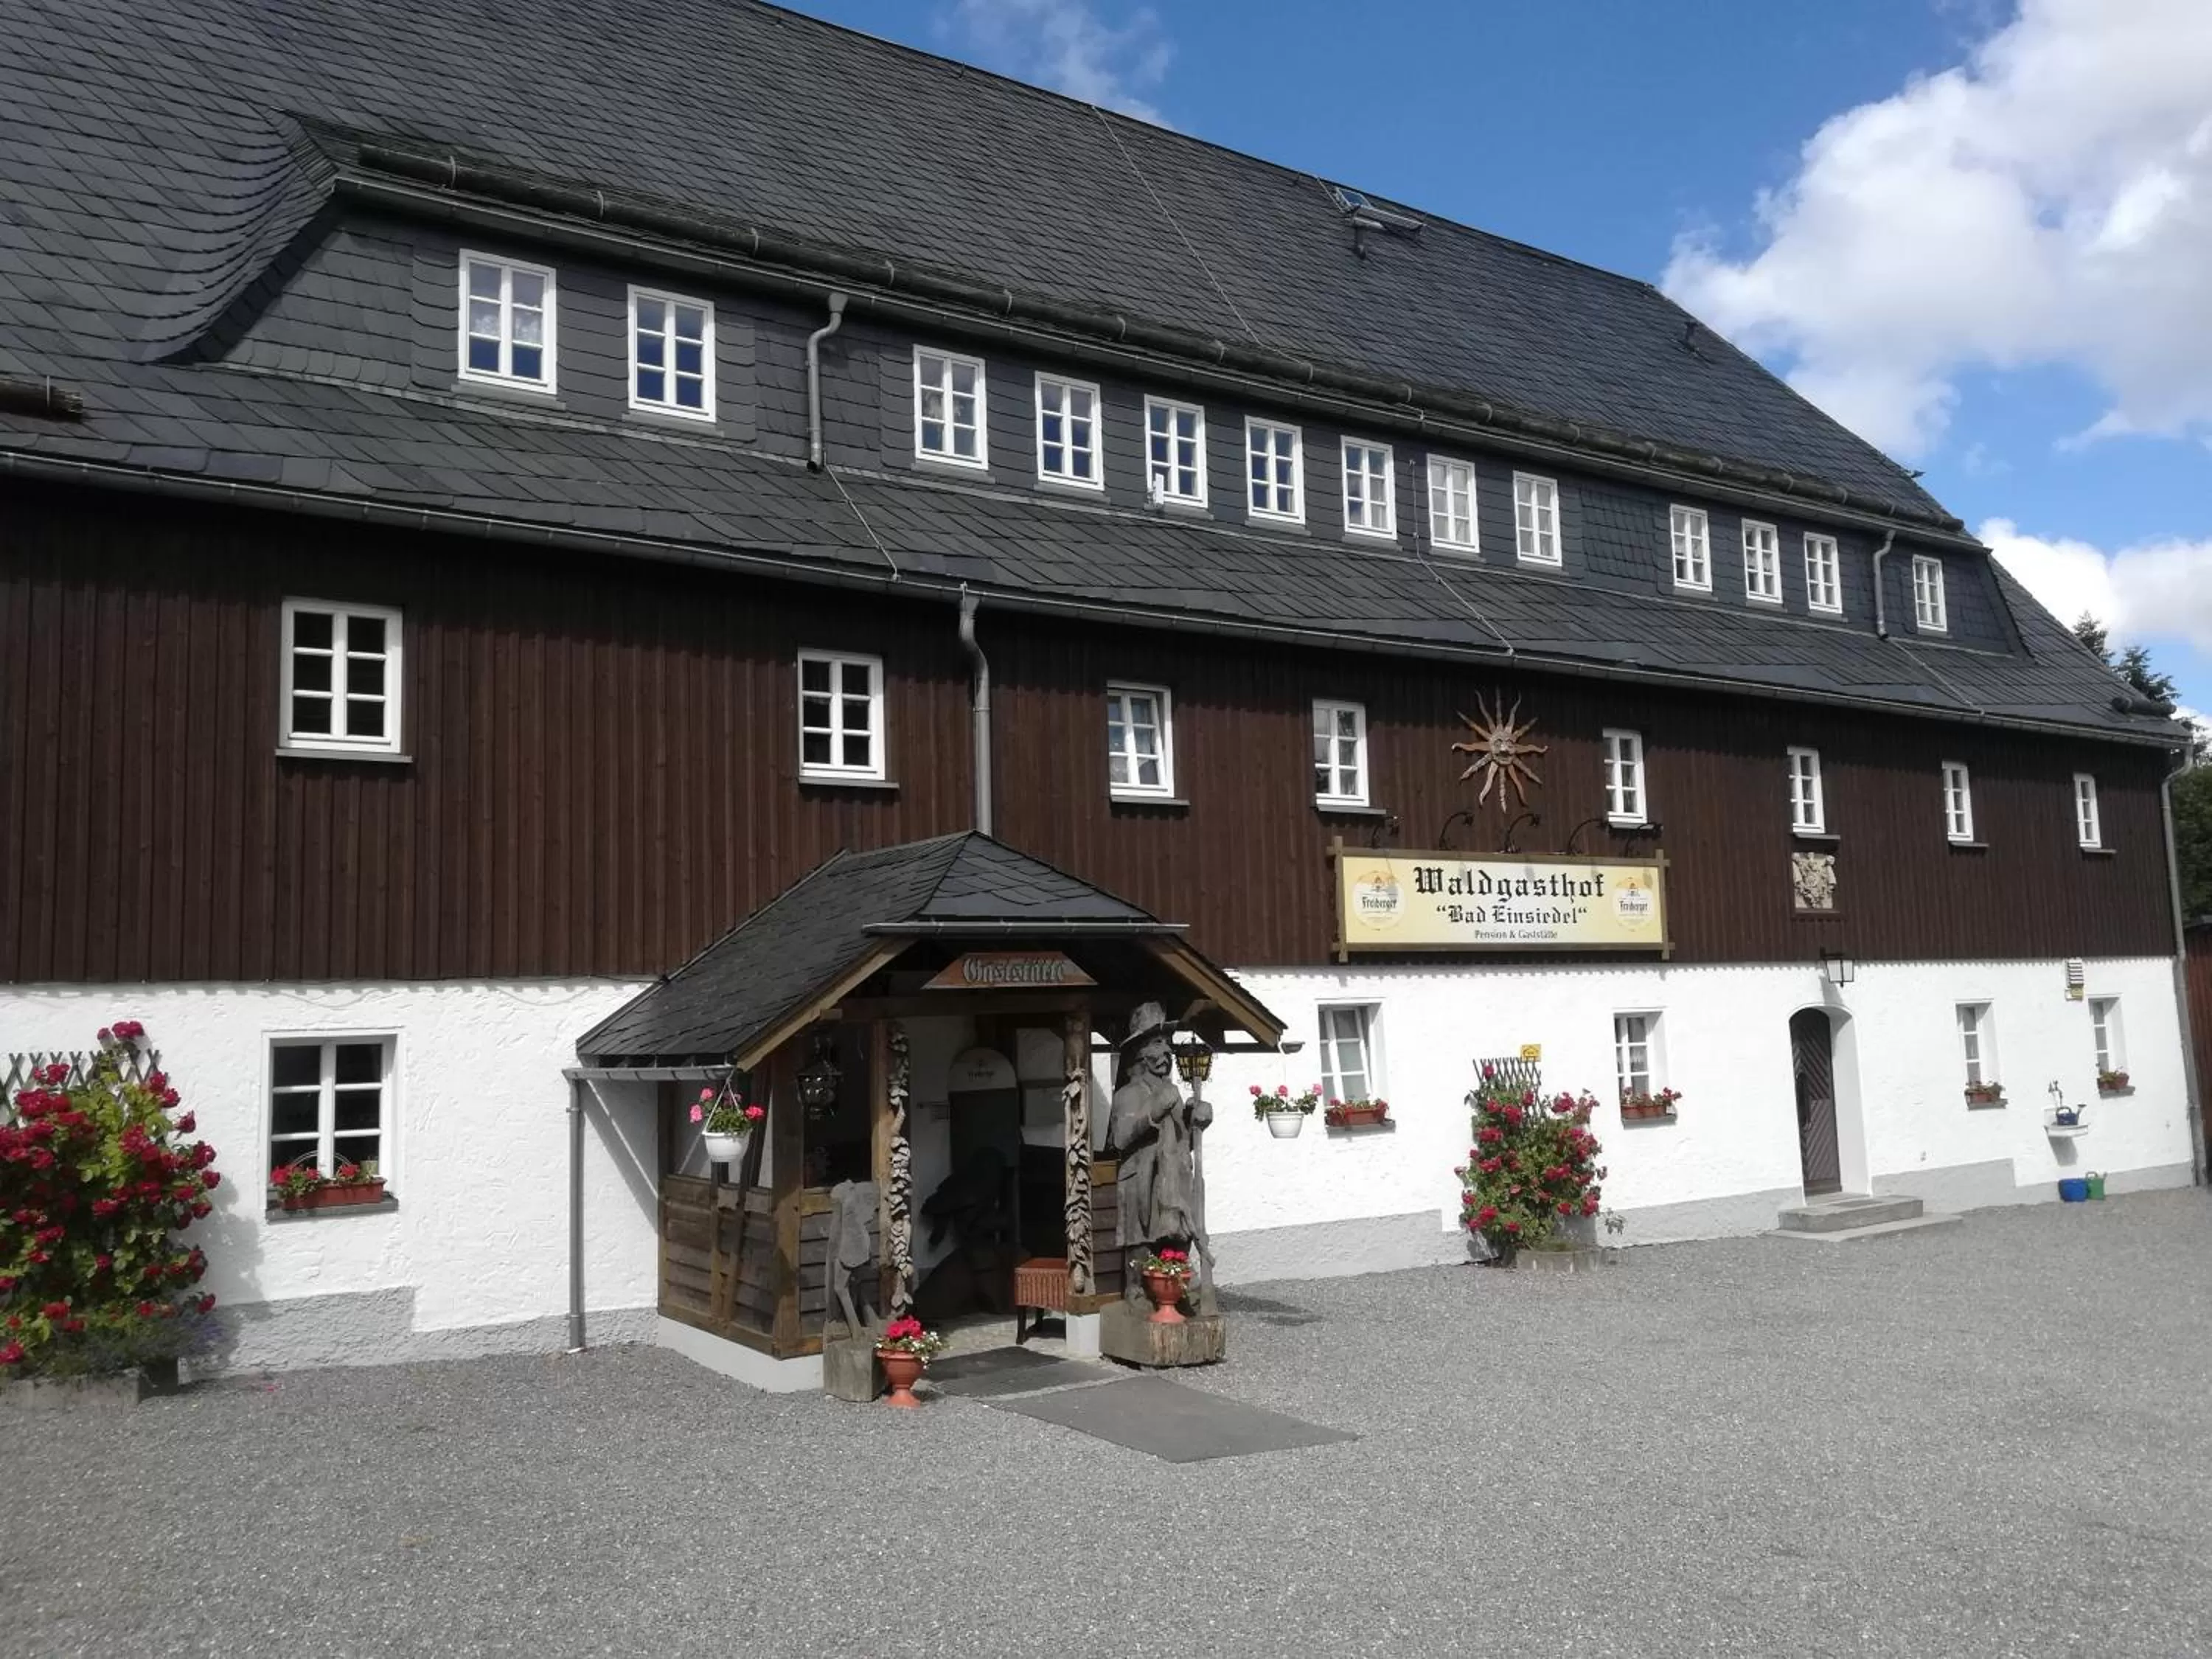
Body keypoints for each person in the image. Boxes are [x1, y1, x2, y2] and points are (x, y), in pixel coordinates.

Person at [1107, 1002, 1211, 1305]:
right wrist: (1156, 1109)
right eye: (1157, 1043)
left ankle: (1176, 1284)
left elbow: (1182, 1142)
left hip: (1173, 1175)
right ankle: (1136, 1289)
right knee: (1139, 1235)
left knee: (1176, 1231)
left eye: (1167, 1044)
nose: (1166, 1051)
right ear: (1140, 1052)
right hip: (1140, 1174)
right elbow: (1122, 1138)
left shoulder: (1173, 1095)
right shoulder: (1128, 1094)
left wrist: (1196, 1120)